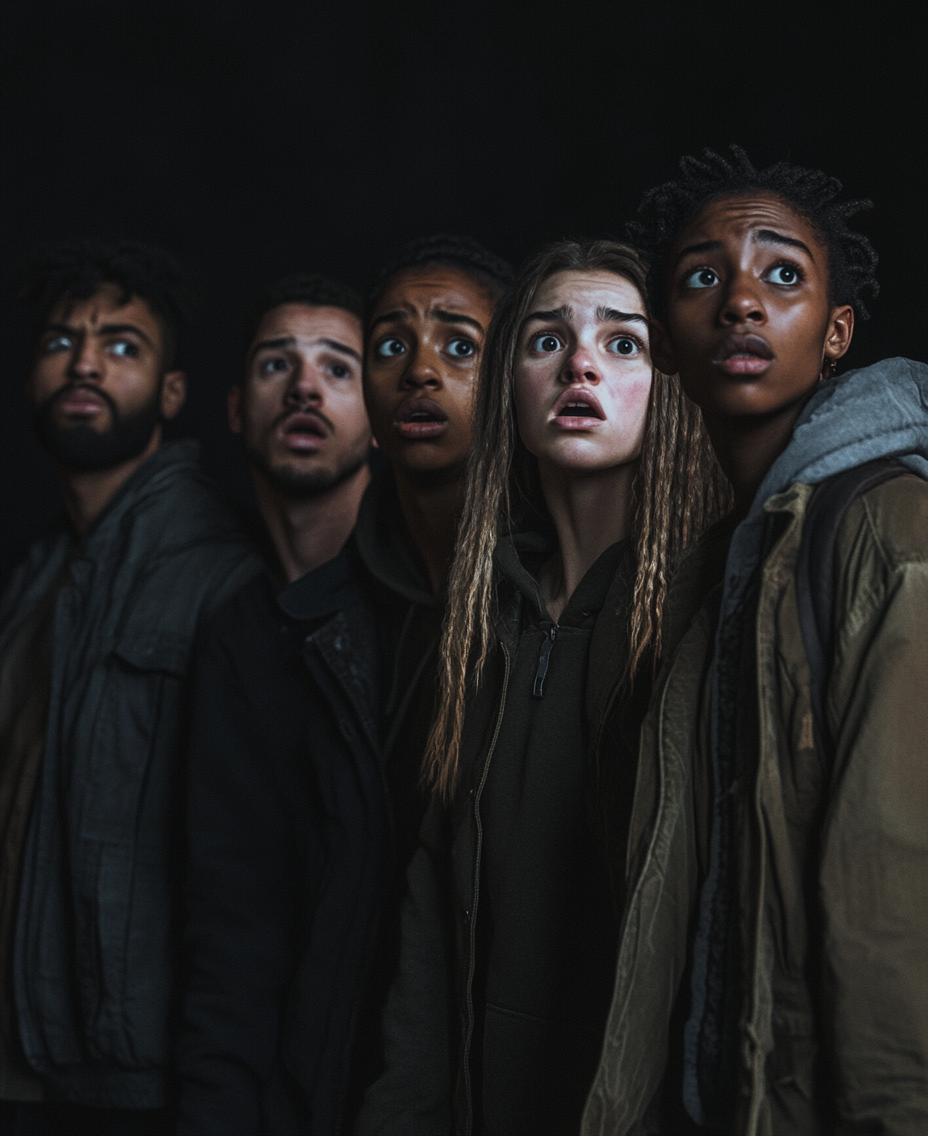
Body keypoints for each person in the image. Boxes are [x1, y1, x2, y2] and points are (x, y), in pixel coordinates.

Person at [583, 148, 928, 1135]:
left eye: (782, 274)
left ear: (837, 333)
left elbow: (897, 897)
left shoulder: (889, 530)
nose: (739, 301)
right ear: (665, 344)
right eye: (702, 276)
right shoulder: (722, 570)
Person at [357, 239, 731, 1136]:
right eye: (544, 340)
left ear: (671, 380)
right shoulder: (482, 626)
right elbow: (430, 935)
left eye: (624, 343)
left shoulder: (710, 618)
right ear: (509, 392)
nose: (580, 363)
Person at [178, 237, 512, 1136]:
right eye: (392, 346)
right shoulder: (275, 633)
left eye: (461, 345)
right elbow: (235, 937)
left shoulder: (549, 608)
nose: (420, 371)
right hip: (328, 1090)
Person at [0, 239, 259, 1136]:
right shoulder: (34, 581)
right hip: (21, 1068)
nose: (82, 362)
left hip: (129, 1087)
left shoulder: (223, 577)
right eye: (60, 342)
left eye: (120, 345)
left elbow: (249, 879)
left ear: (173, 393)